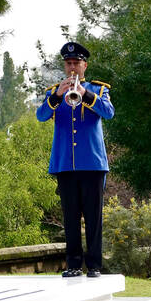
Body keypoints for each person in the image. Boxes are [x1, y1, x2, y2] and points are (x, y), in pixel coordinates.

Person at [36, 42, 114, 278]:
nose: (72, 68)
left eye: (76, 63)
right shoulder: (54, 92)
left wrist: (85, 94)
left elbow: (109, 112)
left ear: (84, 66)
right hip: (65, 164)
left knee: (93, 217)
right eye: (68, 63)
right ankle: (72, 265)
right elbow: (41, 116)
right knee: (70, 217)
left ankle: (94, 266)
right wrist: (58, 96)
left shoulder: (98, 90)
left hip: (92, 163)